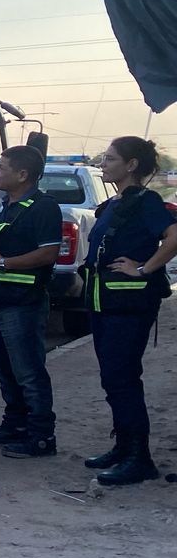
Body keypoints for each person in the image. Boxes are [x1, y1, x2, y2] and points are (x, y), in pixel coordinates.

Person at [79, 136, 177, 485]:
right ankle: (123, 446)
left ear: (131, 165)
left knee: (122, 379)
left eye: (110, 159)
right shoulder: (116, 203)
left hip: (129, 304)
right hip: (105, 302)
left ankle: (139, 458)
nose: (103, 164)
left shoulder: (146, 201)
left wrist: (144, 268)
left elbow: (174, 235)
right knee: (112, 378)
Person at [0, 145, 63, 458]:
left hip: (23, 304)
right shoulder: (7, 208)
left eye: (2, 167)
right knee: (3, 368)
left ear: (23, 175)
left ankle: (40, 436)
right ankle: (15, 424)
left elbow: (48, 253)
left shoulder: (43, 207)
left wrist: (4, 264)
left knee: (28, 370)